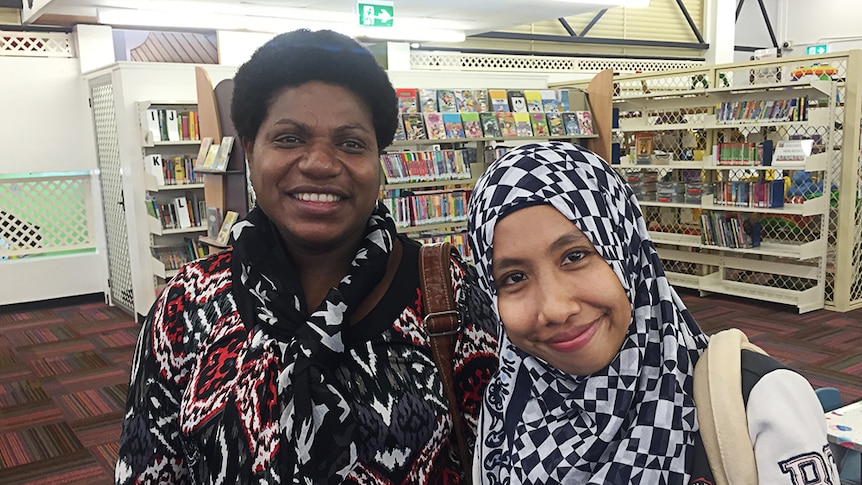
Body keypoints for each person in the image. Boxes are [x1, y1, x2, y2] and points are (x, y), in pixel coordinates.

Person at [115, 29, 498, 485]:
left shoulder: (450, 292)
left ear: (380, 162)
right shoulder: (187, 303)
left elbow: (494, 459)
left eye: (351, 143)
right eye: (289, 138)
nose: (319, 163)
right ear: (251, 151)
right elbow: (149, 467)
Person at [466, 141, 838, 484]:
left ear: (629, 255)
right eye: (514, 277)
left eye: (575, 256)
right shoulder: (507, 405)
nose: (555, 309)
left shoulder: (758, 401)